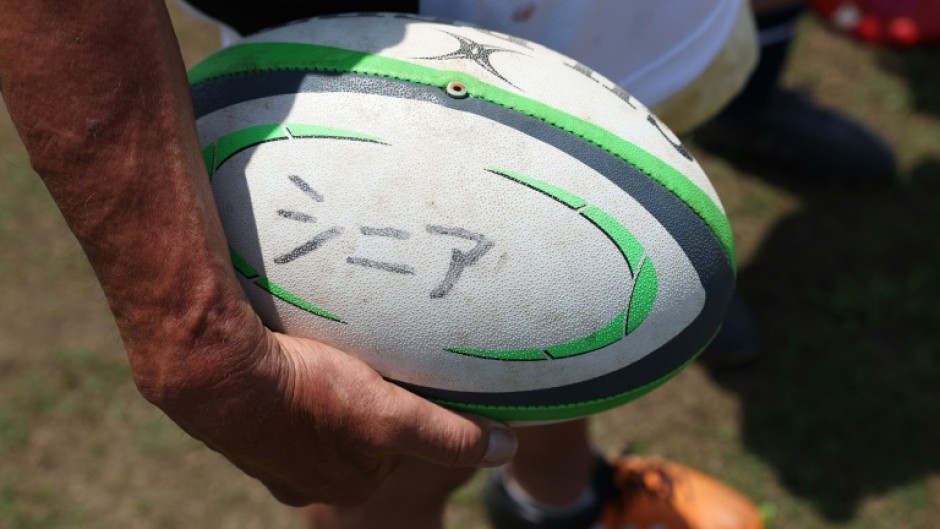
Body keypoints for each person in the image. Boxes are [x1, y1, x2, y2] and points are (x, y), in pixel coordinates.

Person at [0, 1, 765, 528]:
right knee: (392, 446)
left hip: (605, 31)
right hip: (359, 59)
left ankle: (557, 498)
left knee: (557, 291)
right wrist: (191, 333)